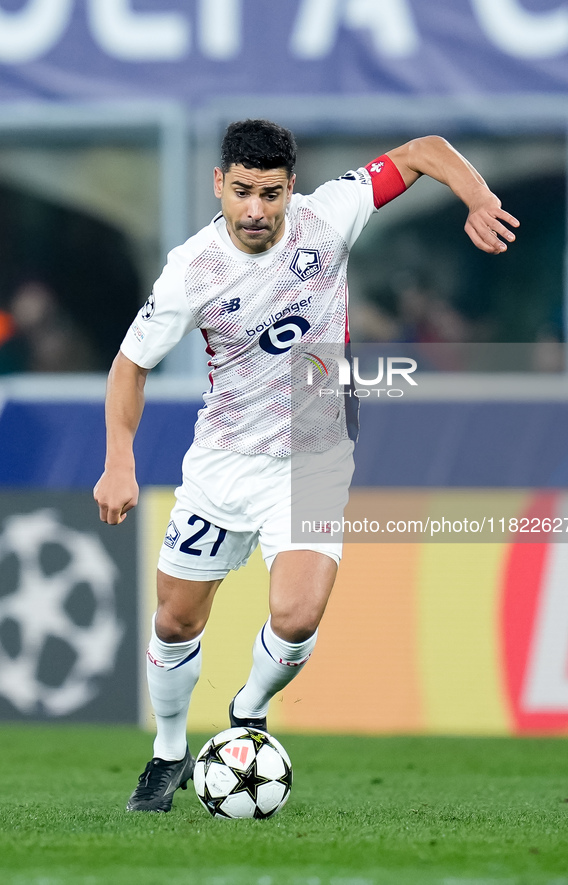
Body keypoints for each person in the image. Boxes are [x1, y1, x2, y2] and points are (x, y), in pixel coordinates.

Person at [93, 119, 519, 812]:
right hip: (223, 463)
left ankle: (249, 707)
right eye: (240, 193)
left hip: (313, 458)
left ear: (291, 187)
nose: (255, 210)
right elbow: (129, 365)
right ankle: (168, 751)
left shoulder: (328, 216)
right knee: (174, 622)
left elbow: (423, 152)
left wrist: (474, 195)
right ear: (218, 186)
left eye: (269, 193)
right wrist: (119, 462)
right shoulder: (191, 269)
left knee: (295, 615)